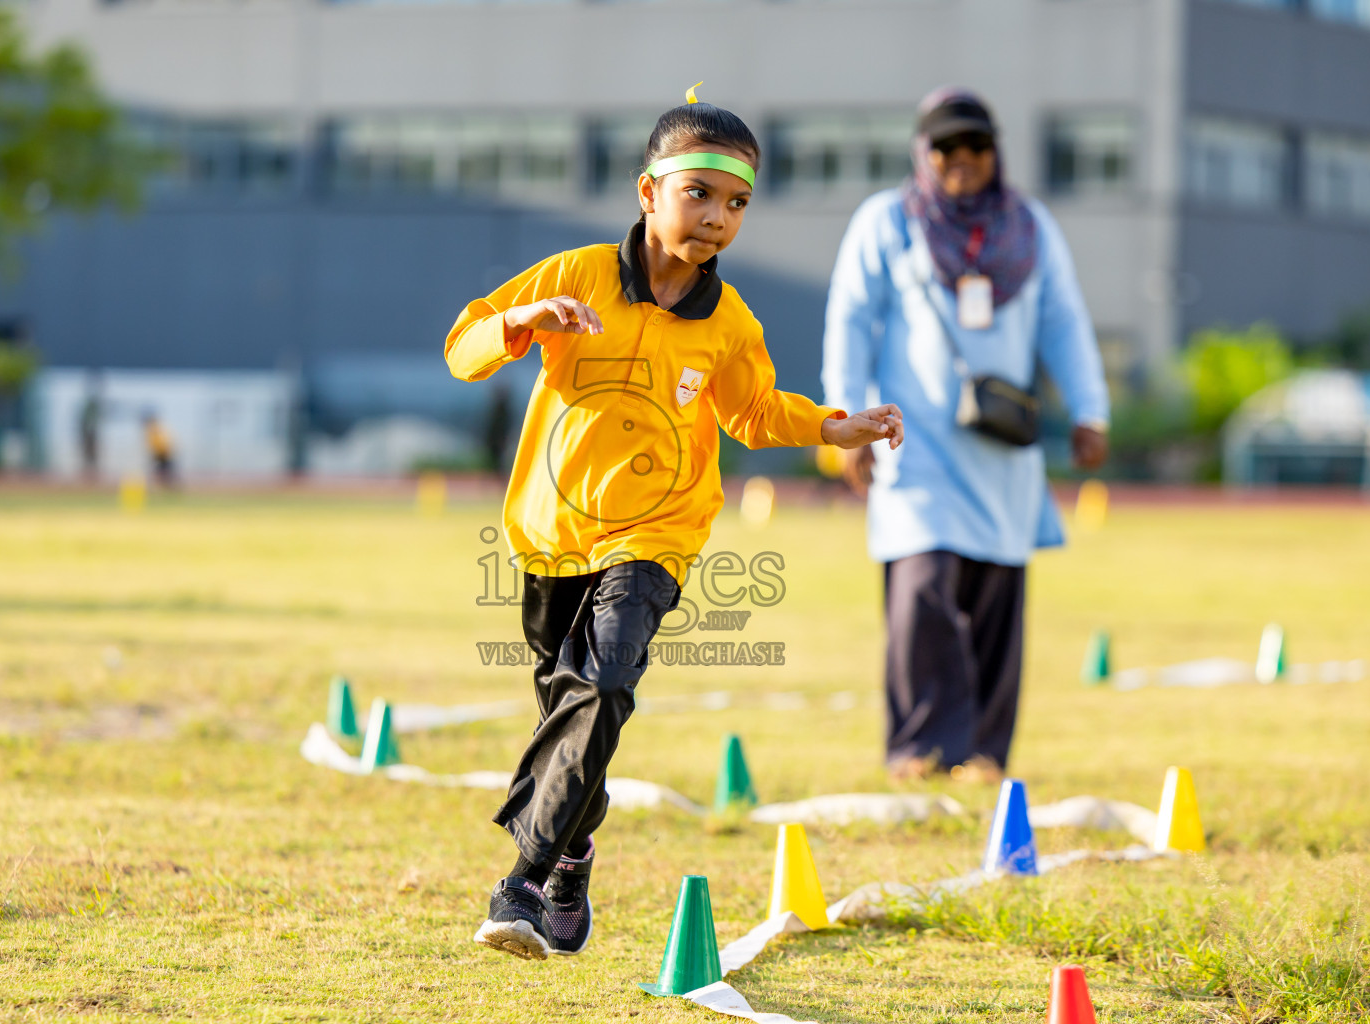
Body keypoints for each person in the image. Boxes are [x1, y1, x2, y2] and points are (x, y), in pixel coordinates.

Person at [445, 93, 904, 961]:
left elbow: (756, 412)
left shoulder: (728, 324)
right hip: (551, 536)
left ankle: (525, 879)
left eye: (737, 204)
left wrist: (834, 425)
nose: (719, 218)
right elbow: (462, 346)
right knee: (568, 705)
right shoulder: (576, 274)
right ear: (649, 191)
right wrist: (522, 323)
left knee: (606, 682)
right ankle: (575, 848)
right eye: (701, 193)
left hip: (657, 537)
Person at [821, 88, 1109, 785]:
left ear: (995, 152)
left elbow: (1064, 322)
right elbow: (851, 320)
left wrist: (1089, 408)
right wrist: (847, 420)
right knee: (919, 587)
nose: (961, 160)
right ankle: (918, 747)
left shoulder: (1029, 226)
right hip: (910, 443)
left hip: (1001, 448)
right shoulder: (887, 222)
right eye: (945, 147)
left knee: (995, 598)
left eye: (976, 146)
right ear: (924, 153)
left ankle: (982, 752)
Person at [141, 410, 176, 487]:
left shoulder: (155, 428)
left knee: (166, 472)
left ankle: (169, 486)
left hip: (164, 453)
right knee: (162, 472)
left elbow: (163, 442)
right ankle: (166, 486)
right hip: (160, 454)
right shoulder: (152, 429)